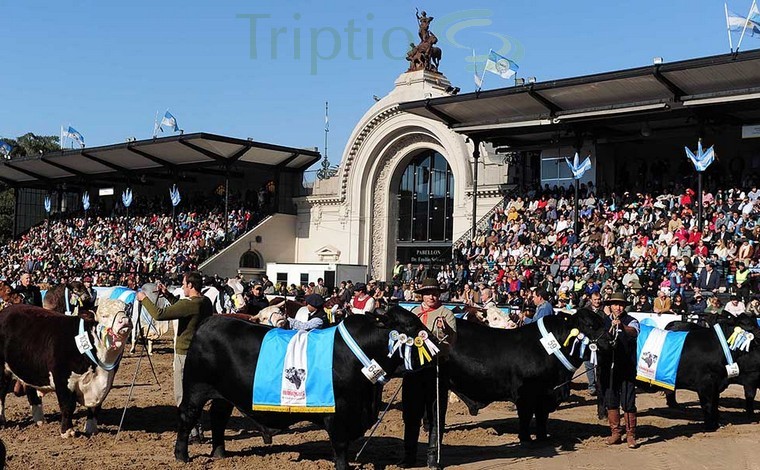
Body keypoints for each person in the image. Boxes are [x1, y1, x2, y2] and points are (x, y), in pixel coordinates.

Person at [136, 271, 213, 441]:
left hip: (185, 354)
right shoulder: (205, 302)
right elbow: (182, 308)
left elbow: (159, 314)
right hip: (202, 354)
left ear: (191, 285)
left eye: (184, 284)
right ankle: (197, 429)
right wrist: (168, 295)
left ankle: (189, 430)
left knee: (182, 394)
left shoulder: (189, 304)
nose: (183, 287)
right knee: (197, 394)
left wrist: (144, 299)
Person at [402, 278, 457, 469]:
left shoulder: (446, 314)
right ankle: (409, 456)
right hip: (414, 370)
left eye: (434, 293)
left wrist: (445, 331)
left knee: (435, 414)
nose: (431, 296)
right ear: (422, 295)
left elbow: (451, 342)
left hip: (436, 369)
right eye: (428, 293)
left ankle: (433, 456)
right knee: (411, 414)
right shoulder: (413, 313)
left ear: (439, 294)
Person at [598, 292, 640, 449]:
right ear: (610, 306)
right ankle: (616, 432)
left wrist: (621, 326)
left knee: (628, 402)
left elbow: (634, 332)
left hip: (627, 367)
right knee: (611, 400)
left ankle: (631, 435)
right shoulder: (603, 322)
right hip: (608, 368)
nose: (618, 307)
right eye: (615, 304)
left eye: (621, 304)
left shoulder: (632, 321)